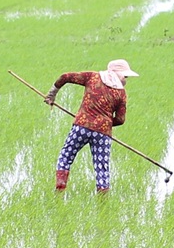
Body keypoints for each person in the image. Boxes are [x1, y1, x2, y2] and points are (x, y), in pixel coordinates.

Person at [44, 59, 139, 194]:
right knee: (102, 168)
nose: (126, 80)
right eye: (125, 76)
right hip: (103, 134)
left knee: (66, 156)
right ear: (117, 73)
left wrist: (51, 95)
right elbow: (120, 119)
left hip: (81, 126)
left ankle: (60, 188)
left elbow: (65, 77)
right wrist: (104, 122)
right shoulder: (121, 94)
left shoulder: (92, 77)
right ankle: (103, 199)